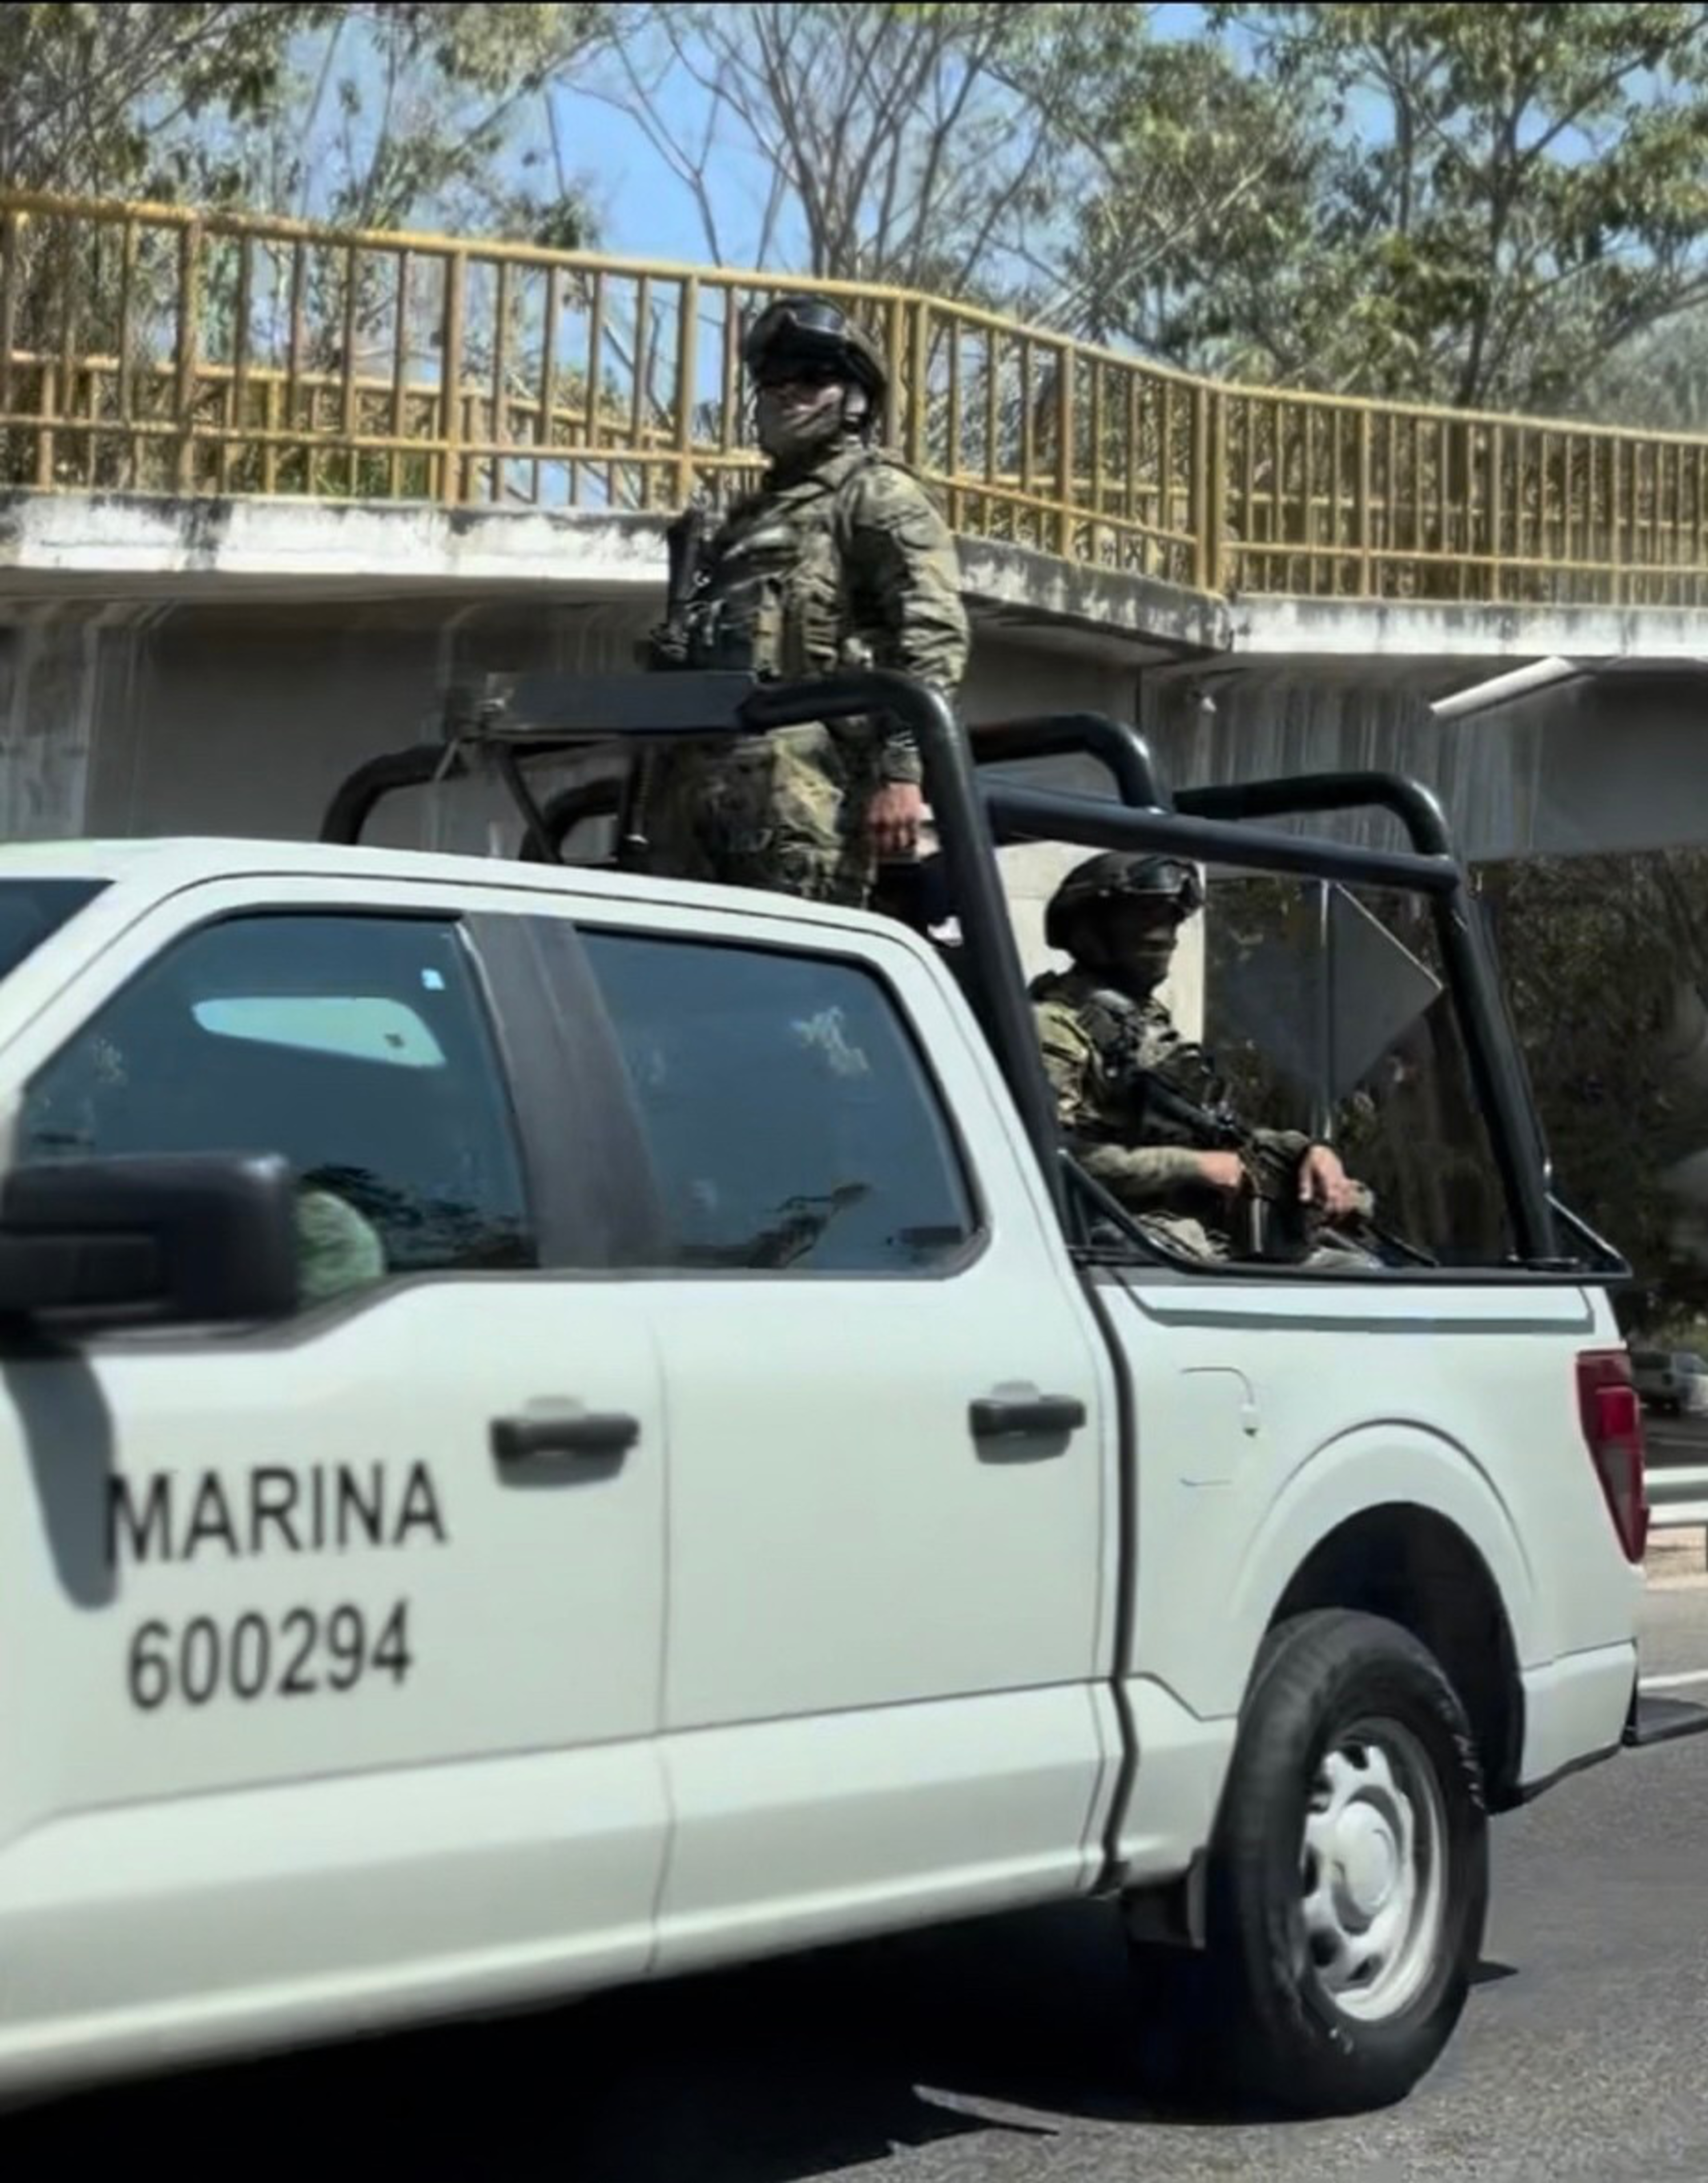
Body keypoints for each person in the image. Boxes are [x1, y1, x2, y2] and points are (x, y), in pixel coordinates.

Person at [639, 294, 970, 907]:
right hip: (698, 795)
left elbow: (932, 635)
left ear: (855, 399)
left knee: (805, 994)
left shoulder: (875, 495)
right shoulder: (739, 523)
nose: (785, 393)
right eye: (772, 379)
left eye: (812, 377)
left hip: (811, 797)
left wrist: (903, 773)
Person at [1030, 851, 1377, 1266]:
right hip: (1129, 1243)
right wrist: (1195, 1167)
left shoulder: (1139, 1019)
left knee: (1363, 1270)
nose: (1167, 936)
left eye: (1173, 919)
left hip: (1199, 1230)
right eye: (1148, 917)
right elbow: (1052, 1155)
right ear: (1092, 929)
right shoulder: (1053, 1025)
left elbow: (1221, 1127)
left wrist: (1310, 1152)